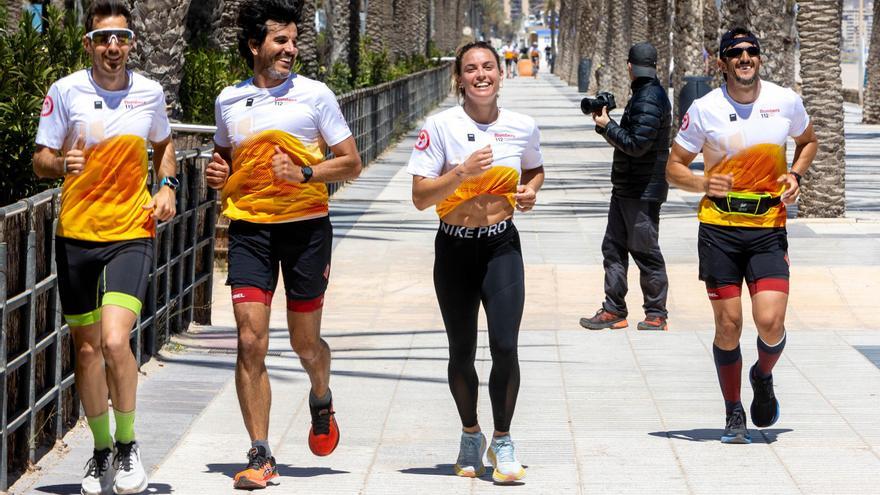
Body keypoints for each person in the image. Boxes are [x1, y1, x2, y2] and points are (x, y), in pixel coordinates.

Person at [204, 0, 362, 489]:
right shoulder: (229, 100)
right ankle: (260, 452)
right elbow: (225, 156)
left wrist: (306, 172)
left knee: (304, 342)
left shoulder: (315, 96)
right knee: (250, 340)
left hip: (307, 230)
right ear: (255, 46)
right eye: (281, 40)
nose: (292, 49)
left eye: (294, 40)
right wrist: (218, 172)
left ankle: (321, 394)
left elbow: (351, 162)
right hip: (249, 229)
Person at [32, 1, 176, 493]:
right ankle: (99, 451)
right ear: (89, 44)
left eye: (122, 37)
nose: (113, 47)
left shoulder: (150, 93)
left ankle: (129, 444)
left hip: (131, 231)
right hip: (76, 234)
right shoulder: (64, 91)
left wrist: (168, 185)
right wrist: (60, 164)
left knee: (116, 341)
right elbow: (41, 160)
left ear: (131, 42)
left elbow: (164, 145)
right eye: (103, 38)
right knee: (88, 350)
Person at [666, 28, 817, 444]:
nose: (744, 58)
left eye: (751, 52)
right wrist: (702, 185)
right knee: (729, 325)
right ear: (722, 63)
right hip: (719, 230)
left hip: (769, 227)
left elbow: (807, 141)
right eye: (735, 53)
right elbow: (674, 165)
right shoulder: (704, 109)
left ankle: (762, 375)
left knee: (770, 323)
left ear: (760, 59)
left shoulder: (784, 101)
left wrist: (795, 173)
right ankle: (734, 411)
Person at [408, 41, 545, 483]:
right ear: (459, 78)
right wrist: (462, 173)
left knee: (505, 346)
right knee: (461, 350)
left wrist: (529, 192)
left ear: (500, 74)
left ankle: (502, 439)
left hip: (501, 246)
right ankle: (471, 433)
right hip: (454, 248)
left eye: (488, 67)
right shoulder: (441, 126)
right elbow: (420, 198)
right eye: (471, 69)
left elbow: (534, 168)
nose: (481, 74)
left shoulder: (522, 126)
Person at [580, 42, 672, 332]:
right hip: (627, 187)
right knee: (614, 248)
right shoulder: (645, 95)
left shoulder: (649, 98)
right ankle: (614, 309)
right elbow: (633, 138)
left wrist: (608, 126)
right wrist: (606, 126)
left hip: (642, 191)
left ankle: (657, 314)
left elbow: (636, 145)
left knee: (645, 251)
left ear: (629, 66)